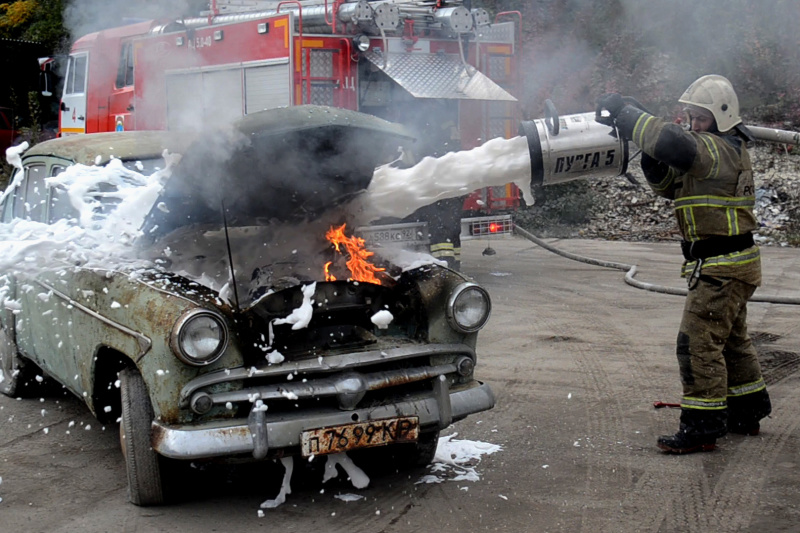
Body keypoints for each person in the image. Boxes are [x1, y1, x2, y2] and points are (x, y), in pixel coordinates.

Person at [596, 75, 772, 454]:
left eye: (700, 118)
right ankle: (748, 410)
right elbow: (669, 183)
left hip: (721, 268)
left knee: (696, 345)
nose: (693, 125)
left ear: (722, 118)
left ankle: (703, 426)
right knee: (732, 341)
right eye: (690, 118)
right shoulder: (720, 151)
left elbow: (673, 143)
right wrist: (647, 146)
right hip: (732, 264)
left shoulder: (718, 150)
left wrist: (629, 116)